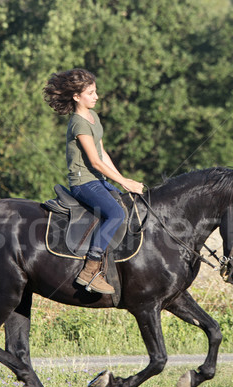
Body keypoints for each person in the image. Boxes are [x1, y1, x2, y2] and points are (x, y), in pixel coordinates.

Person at [44, 68, 144, 295]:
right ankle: (89, 271)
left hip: (98, 180)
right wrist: (124, 182)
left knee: (125, 207)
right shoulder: (79, 123)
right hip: (83, 183)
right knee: (116, 214)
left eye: (95, 91)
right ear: (77, 97)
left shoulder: (93, 117)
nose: (96, 96)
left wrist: (122, 179)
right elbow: (95, 162)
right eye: (91, 93)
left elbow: (102, 153)